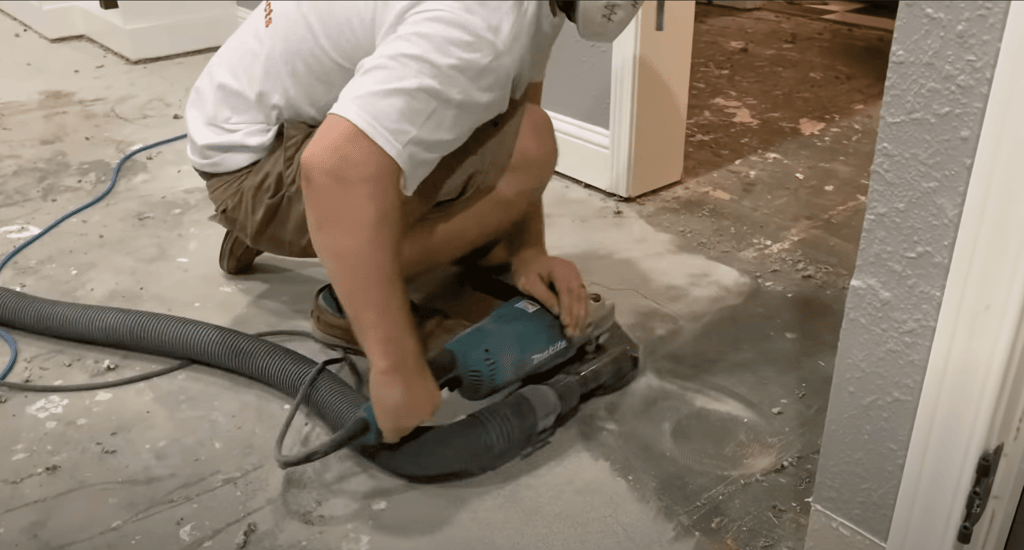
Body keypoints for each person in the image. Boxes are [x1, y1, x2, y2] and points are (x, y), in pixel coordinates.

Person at [185, 1, 645, 444]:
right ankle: (340, 293)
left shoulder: (524, 12)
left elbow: (513, 111)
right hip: (259, 161)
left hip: (265, 119)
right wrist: (395, 364)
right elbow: (334, 172)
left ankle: (294, 226)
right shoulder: (479, 23)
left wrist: (528, 251)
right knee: (530, 146)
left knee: (515, 137)